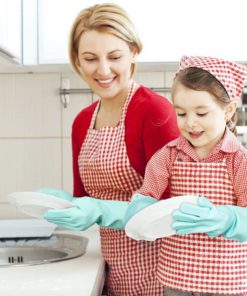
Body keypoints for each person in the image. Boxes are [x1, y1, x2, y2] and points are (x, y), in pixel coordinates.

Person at [39, 3, 179, 296]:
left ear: (134, 52)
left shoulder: (155, 112)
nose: (103, 70)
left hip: (162, 277)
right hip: (115, 272)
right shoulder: (82, 122)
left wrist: (100, 210)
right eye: (90, 58)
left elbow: (172, 210)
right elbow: (84, 199)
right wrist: (65, 204)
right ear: (76, 59)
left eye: (114, 56)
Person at [125, 55, 247, 296]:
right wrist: (140, 208)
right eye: (181, 113)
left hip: (226, 281)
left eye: (201, 114)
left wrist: (227, 219)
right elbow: (148, 193)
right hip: (176, 277)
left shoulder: (238, 159)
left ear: (228, 110)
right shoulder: (168, 156)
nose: (191, 123)